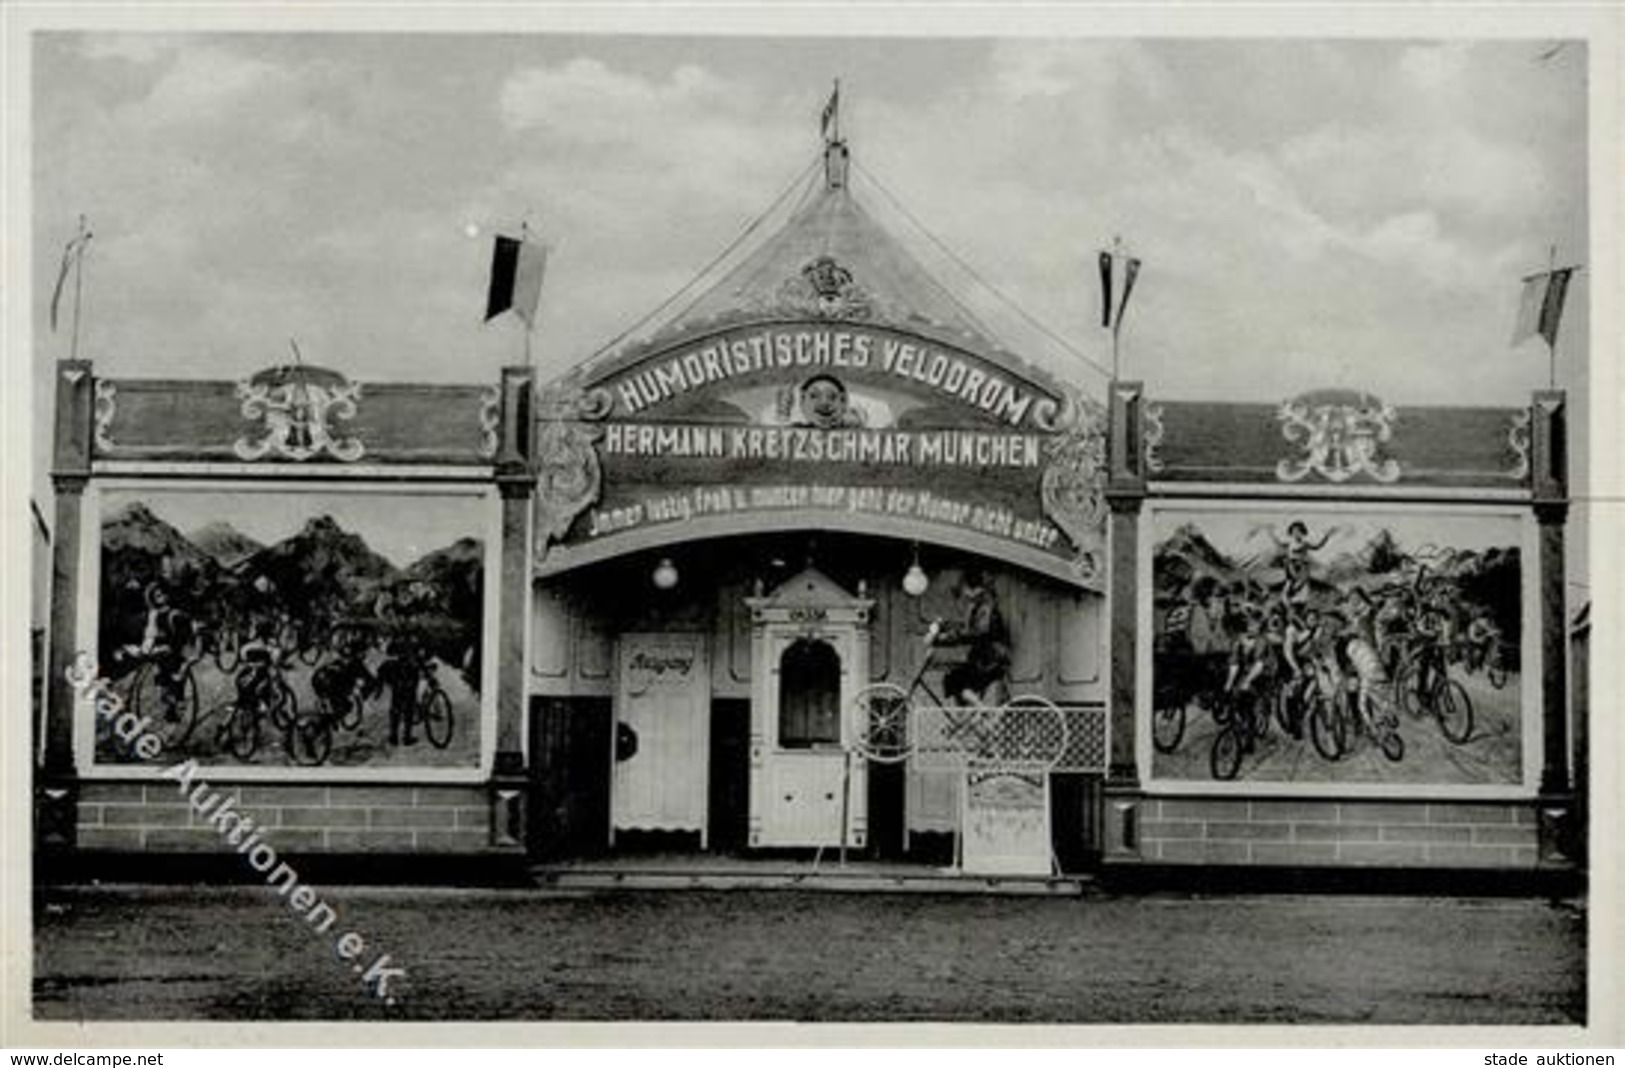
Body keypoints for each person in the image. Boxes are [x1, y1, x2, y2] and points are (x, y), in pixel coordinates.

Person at [932, 568, 1012, 707]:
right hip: (985, 657)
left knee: (957, 681)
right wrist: (943, 627)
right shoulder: (978, 604)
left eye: (964, 589)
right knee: (953, 678)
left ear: (974, 588)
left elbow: (977, 632)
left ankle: (984, 713)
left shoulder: (986, 604)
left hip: (991, 659)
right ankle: (969, 719)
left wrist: (946, 637)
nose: (964, 593)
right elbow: (965, 628)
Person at [794, 373, 864, 430]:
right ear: (802, 401)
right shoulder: (796, 430)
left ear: (843, 400)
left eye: (832, 396)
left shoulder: (851, 430)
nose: (824, 403)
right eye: (813, 396)